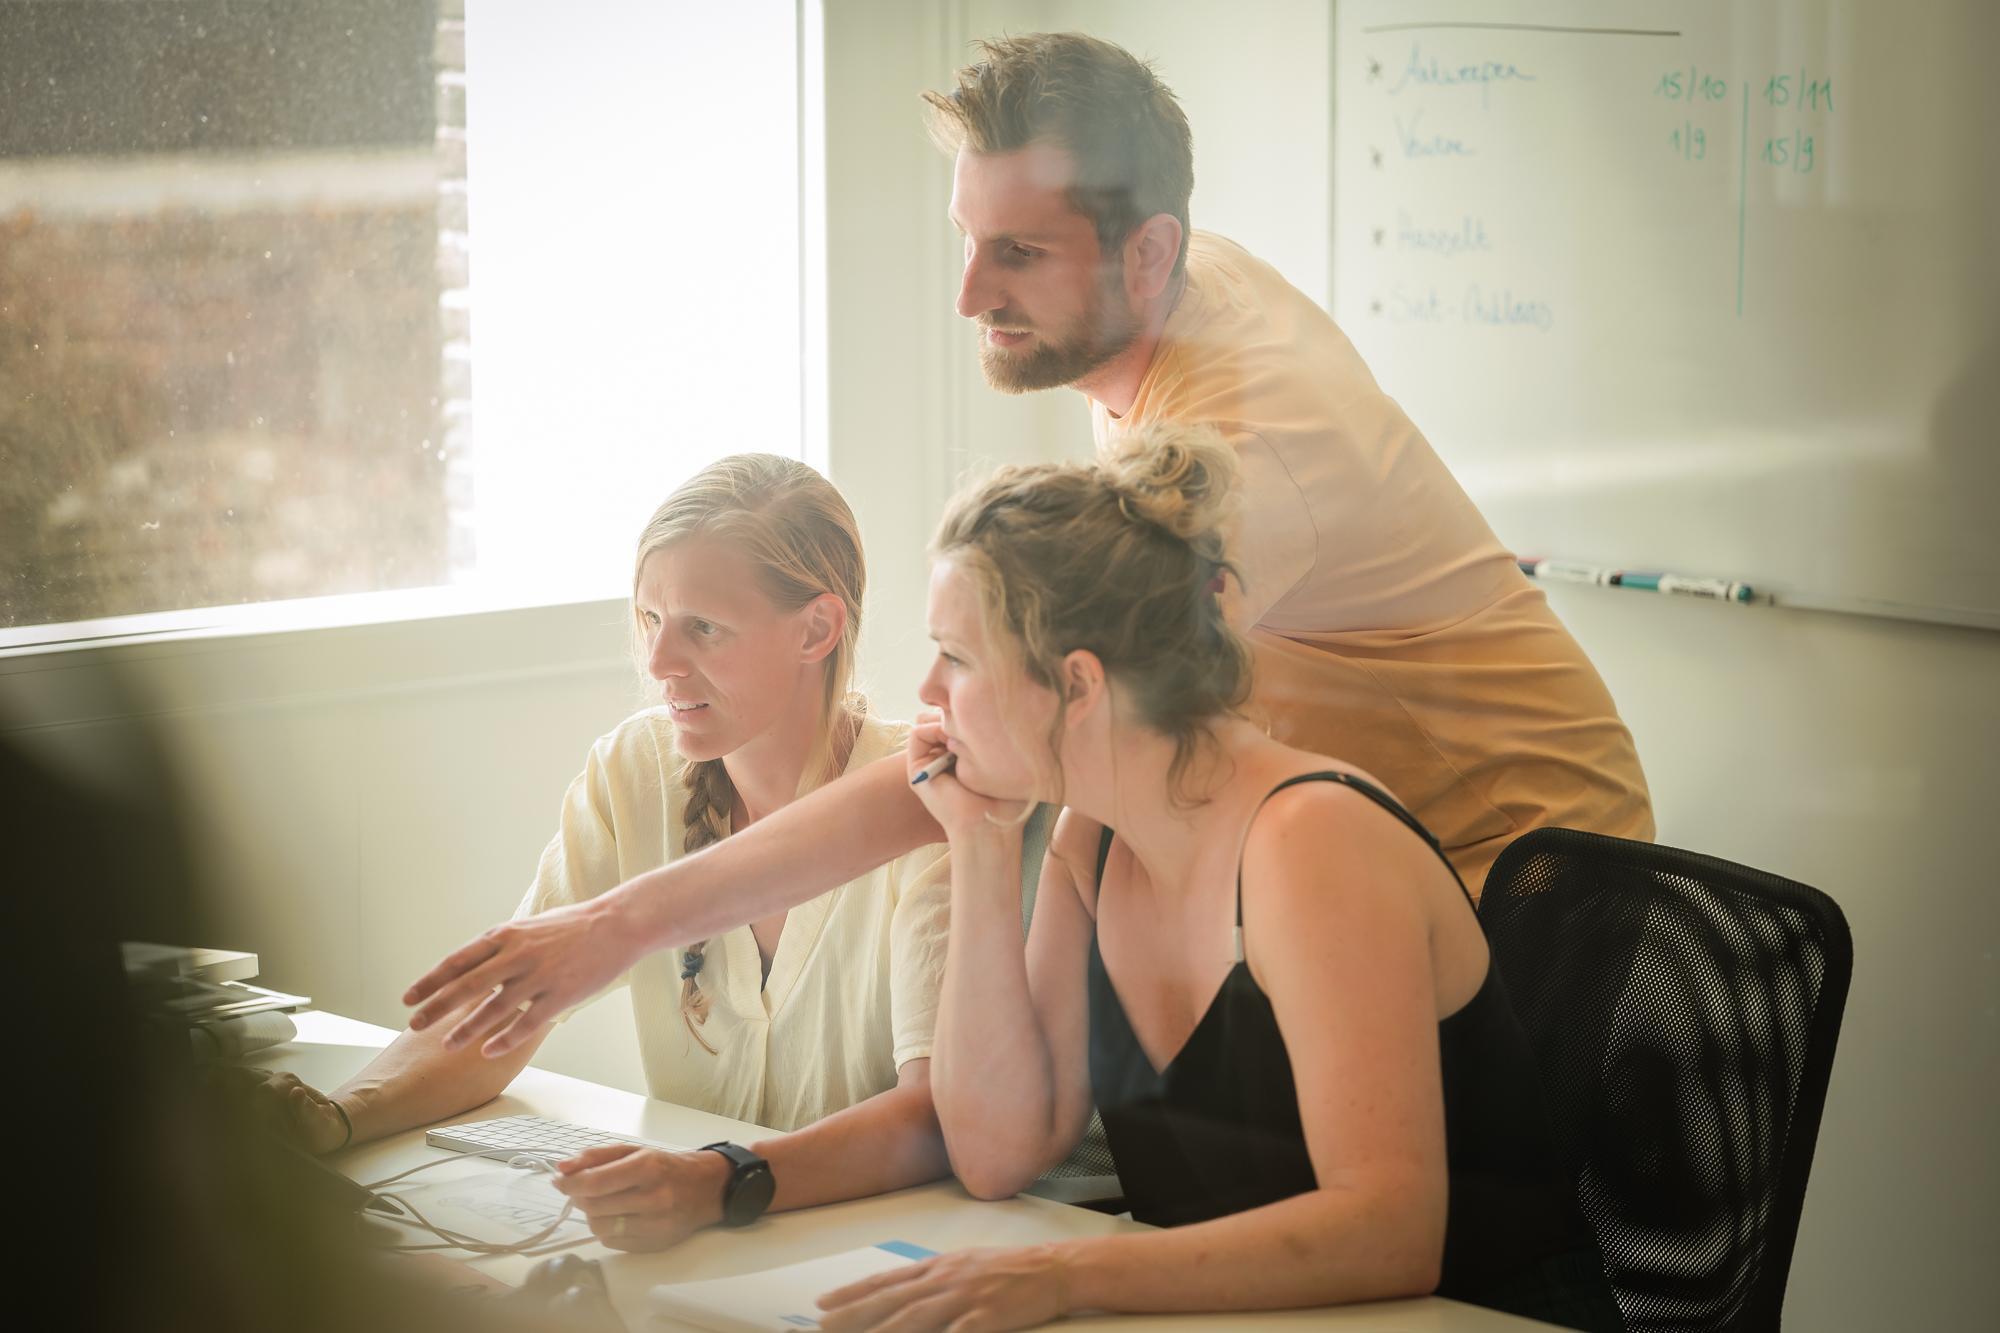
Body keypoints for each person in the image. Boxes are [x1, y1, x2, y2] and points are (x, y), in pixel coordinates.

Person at [401, 31, 1650, 1060]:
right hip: (1344, 851)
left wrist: (620, 925)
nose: (967, 294)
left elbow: (969, 749)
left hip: (1517, 869)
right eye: (968, 237)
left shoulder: (1241, 443)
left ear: (1147, 253)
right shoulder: (1159, 301)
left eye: (1017, 254)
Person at [814, 428, 1623, 1332]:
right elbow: (997, 1150)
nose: (928, 688)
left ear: (1077, 685)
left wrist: (1062, 1273)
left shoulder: (1310, 842)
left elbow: (1389, 1232)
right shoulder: (1094, 841)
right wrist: (979, 841)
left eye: (957, 656)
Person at [252, 453, 954, 1250]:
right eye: (650, 619)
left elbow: (935, 1118)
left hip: (885, 1243)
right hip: (705, 1236)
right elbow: (508, 1009)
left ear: (817, 629)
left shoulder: (934, 799)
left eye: (704, 627)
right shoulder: (631, 771)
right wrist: (338, 1116)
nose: (657, 663)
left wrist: (718, 1179)